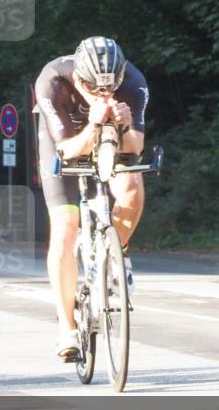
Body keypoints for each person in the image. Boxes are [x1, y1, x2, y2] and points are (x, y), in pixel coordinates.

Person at [34, 36, 149, 361]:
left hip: (110, 136)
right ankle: (68, 329)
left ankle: (115, 252)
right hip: (64, 140)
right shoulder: (53, 80)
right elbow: (67, 149)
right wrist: (95, 122)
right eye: (94, 88)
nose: (105, 94)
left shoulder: (134, 82)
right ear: (78, 79)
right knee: (66, 225)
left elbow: (135, 146)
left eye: (112, 87)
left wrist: (124, 127)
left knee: (132, 190)